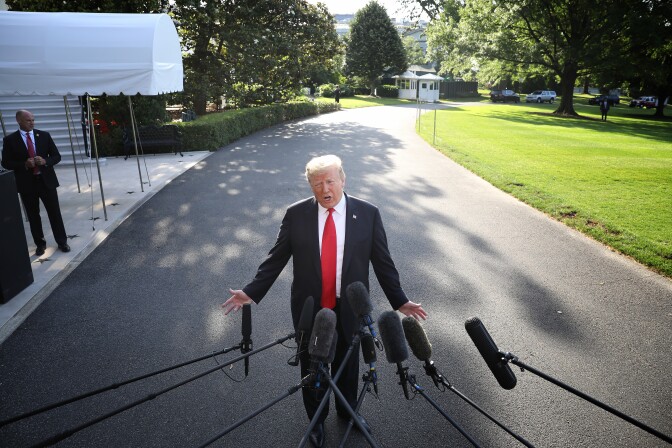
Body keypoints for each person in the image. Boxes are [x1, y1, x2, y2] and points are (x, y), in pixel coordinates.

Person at [222, 154, 427, 447]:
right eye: (317, 184)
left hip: (351, 305)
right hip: (311, 306)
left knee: (348, 361)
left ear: (343, 180)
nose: (324, 189)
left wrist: (400, 300)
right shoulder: (296, 214)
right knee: (312, 365)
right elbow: (275, 257)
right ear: (311, 186)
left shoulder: (367, 213)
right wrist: (251, 292)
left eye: (330, 181)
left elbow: (383, 261)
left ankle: (347, 412)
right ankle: (316, 421)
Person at [1, 110, 70, 256]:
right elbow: (6, 163)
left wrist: (46, 161)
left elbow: (57, 156)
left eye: (33, 119)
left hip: (47, 182)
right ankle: (40, 244)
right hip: (27, 185)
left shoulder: (44, 135)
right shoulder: (10, 140)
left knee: (55, 213)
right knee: (33, 216)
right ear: (19, 121)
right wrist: (24, 164)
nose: (32, 122)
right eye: (28, 120)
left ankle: (62, 241)